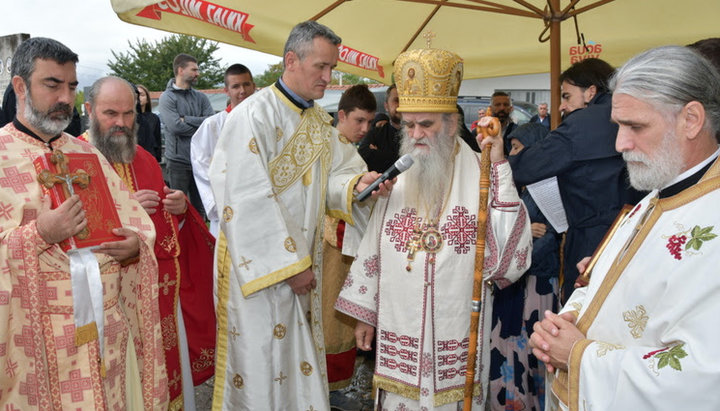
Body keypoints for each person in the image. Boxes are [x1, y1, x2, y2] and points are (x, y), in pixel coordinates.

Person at [336, 47, 532, 410]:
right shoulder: (401, 171)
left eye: (426, 124)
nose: (417, 133)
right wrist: (365, 313)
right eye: (410, 124)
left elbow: (511, 257)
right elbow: (374, 245)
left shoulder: (484, 172)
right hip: (400, 329)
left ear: (452, 124)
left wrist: (501, 162)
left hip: (455, 329)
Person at [208, 21, 390, 410]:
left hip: (301, 270)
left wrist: (359, 184)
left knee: (293, 366)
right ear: (291, 60)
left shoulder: (318, 123)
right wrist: (291, 266)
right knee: (261, 368)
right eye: (321, 68)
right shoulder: (252, 116)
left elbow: (336, 178)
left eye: (332, 69)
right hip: (257, 270)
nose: (329, 78)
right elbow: (242, 198)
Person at [530, 45, 720, 411]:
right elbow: (606, 283)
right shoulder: (656, 196)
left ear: (692, 119)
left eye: (636, 127)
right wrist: (571, 319)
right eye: (618, 126)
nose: (621, 144)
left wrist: (577, 354)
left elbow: (702, 376)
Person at [0, 37, 167, 409]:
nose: (65, 97)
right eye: (53, 84)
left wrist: (134, 245)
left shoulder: (86, 152)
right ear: (20, 87)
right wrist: (40, 234)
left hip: (104, 334)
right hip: (39, 345)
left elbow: (135, 222)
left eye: (72, 86)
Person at [81, 76, 217, 411]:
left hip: (155, 299)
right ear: (88, 110)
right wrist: (127, 213)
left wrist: (180, 210)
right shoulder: (73, 162)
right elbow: (73, 240)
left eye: (129, 114)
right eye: (110, 113)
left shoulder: (142, 158)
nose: (121, 123)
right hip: (106, 305)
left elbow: (168, 234)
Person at [508, 58, 638, 304]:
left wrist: (496, 160)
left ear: (590, 92)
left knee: (582, 311)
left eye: (567, 96)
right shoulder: (633, 113)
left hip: (592, 239)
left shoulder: (583, 124)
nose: (561, 106)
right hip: (635, 233)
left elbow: (527, 167)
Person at [489, 123, 561, 411]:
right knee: (505, 350)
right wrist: (523, 233)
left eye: (518, 148)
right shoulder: (512, 185)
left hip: (537, 285)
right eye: (512, 148)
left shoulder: (549, 188)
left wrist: (519, 243)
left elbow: (553, 235)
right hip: (510, 283)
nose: (514, 155)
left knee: (532, 352)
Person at [321, 84, 375, 410]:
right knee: (327, 318)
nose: (365, 129)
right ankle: (323, 390)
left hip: (345, 244)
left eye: (369, 122)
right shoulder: (324, 145)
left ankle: (335, 387)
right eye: (359, 120)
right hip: (326, 246)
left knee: (338, 316)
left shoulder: (350, 151)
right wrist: (357, 186)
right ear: (341, 115)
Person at [191, 63, 256, 237]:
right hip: (227, 209)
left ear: (254, 87)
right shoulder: (212, 126)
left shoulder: (267, 123)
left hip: (259, 207)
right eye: (235, 86)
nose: (242, 90)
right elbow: (201, 166)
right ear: (226, 90)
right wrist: (221, 203)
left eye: (246, 84)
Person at [158, 53, 214, 219]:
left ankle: (202, 243)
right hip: (177, 162)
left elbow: (210, 123)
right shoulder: (166, 98)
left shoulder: (201, 97)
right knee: (178, 209)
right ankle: (181, 243)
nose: (197, 73)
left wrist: (186, 119)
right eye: (194, 69)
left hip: (200, 161)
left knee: (202, 209)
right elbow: (175, 127)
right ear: (181, 70)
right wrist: (199, 125)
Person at [358, 84, 401, 172]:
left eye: (405, 100)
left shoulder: (420, 133)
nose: (401, 105)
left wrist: (380, 154)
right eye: (396, 100)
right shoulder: (378, 130)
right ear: (386, 106)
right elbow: (363, 155)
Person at [135, 83, 162, 161]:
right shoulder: (128, 118)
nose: (139, 98)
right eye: (137, 95)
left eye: (142, 95)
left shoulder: (154, 118)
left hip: (150, 156)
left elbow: (157, 140)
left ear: (147, 99)